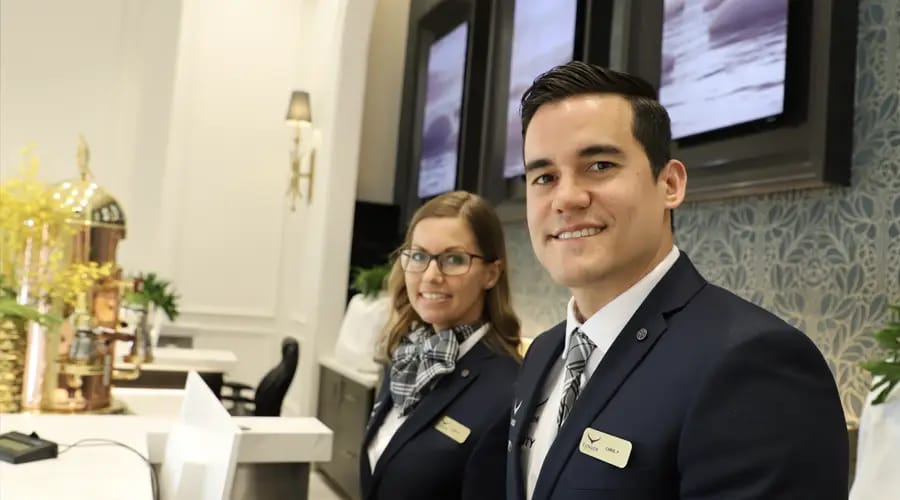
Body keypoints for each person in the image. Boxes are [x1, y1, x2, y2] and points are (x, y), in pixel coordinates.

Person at [506, 61, 848, 499]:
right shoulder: (544, 352)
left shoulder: (754, 363)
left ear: (669, 183)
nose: (567, 197)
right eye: (545, 177)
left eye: (600, 165)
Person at [361, 190, 522, 500]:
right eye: (419, 256)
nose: (431, 276)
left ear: (491, 273)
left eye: (454, 259)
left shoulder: (508, 389)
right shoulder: (405, 356)